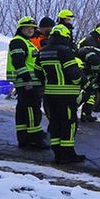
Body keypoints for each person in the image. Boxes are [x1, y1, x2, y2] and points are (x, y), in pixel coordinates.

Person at [37, 24, 87, 164]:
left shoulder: (43, 51)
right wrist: (83, 80)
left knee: (54, 123)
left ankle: (57, 153)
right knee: (69, 123)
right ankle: (68, 153)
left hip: (49, 95)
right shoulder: (65, 51)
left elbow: (37, 72)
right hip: (66, 95)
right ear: (65, 37)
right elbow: (74, 73)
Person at [8, 17, 47, 148]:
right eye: (27, 28)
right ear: (21, 29)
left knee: (23, 110)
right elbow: (18, 62)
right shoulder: (18, 42)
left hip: (28, 82)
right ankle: (34, 139)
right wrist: (27, 79)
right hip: (27, 82)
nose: (31, 30)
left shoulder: (26, 42)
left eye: (32, 28)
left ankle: (24, 138)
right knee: (32, 109)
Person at [76, 43, 100, 122]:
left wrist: (95, 72)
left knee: (98, 87)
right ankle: (86, 113)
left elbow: (94, 61)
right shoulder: (84, 52)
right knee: (93, 90)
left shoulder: (83, 52)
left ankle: (86, 112)